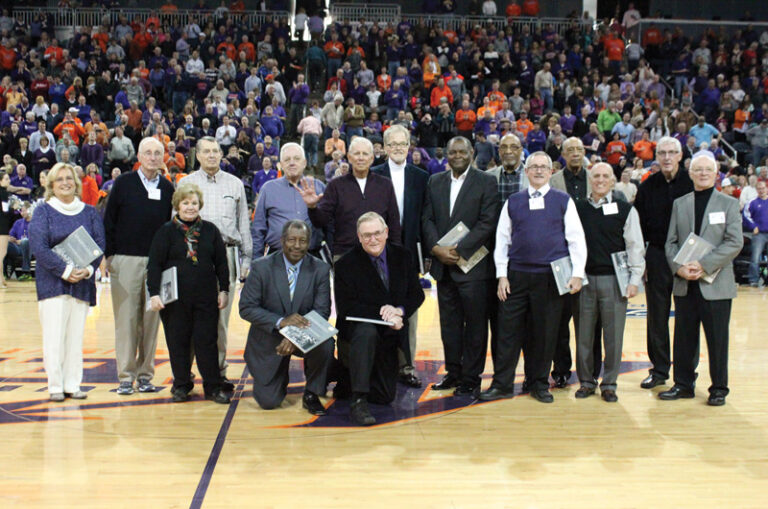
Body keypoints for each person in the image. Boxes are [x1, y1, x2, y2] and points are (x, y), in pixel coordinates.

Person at [478, 152, 586, 404]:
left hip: (549, 278)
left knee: (544, 335)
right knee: (507, 333)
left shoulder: (563, 200)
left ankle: (538, 384)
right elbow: (502, 240)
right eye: (534, 167)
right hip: (516, 277)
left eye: (543, 167)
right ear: (526, 172)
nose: (538, 171)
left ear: (551, 172)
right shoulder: (513, 201)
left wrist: (577, 273)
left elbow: (576, 239)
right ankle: (502, 384)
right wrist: (502, 275)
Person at [661, 153, 743, 406]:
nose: (703, 173)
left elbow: (735, 242)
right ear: (691, 173)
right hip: (685, 282)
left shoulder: (728, 204)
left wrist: (703, 265)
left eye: (708, 169)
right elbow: (671, 242)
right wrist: (679, 268)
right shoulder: (680, 203)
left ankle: (718, 388)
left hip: (715, 284)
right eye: (698, 170)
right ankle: (683, 384)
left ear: (716, 173)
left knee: (717, 340)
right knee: (684, 338)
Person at [422, 136, 499, 397]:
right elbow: (427, 219)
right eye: (452, 152)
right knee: (450, 325)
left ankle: (471, 377)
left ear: (472, 153)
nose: (457, 156)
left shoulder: (487, 181)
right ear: (447, 154)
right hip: (443, 268)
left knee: (475, 326)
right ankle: (453, 372)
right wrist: (436, 249)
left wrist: (459, 250)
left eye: (462, 152)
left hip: (473, 268)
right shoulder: (435, 181)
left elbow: (487, 222)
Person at [334, 212, 425, 425]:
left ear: (386, 232)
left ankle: (347, 377)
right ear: (359, 237)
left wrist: (399, 311)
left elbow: (417, 294)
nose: (373, 239)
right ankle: (358, 400)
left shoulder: (403, 256)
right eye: (367, 235)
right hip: (358, 334)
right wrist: (386, 314)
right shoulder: (345, 264)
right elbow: (347, 308)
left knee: (384, 396)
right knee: (366, 330)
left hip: (390, 335)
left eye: (377, 233)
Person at [147, 183, 231, 404]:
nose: (190, 207)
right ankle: (182, 385)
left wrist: (224, 289)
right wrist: (154, 293)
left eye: (194, 203)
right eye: (185, 203)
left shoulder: (211, 230)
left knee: (207, 342)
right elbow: (154, 265)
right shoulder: (165, 231)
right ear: (177, 205)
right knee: (178, 343)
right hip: (175, 300)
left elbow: (221, 263)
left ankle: (213, 387)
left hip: (206, 298)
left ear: (199, 205)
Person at [179, 137, 252, 389]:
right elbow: (175, 223)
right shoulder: (186, 183)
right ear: (197, 155)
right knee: (189, 318)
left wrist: (247, 258)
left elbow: (243, 224)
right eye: (206, 151)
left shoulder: (235, 184)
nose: (212, 155)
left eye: (215, 151)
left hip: (227, 254)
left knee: (221, 320)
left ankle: (219, 372)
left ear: (221, 154)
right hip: (192, 255)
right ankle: (184, 375)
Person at [240, 220, 333, 415]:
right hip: (269, 335)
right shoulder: (261, 267)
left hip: (304, 332)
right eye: (292, 240)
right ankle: (279, 378)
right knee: (268, 402)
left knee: (326, 343)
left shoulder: (320, 269)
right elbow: (246, 307)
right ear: (282, 240)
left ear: (309, 242)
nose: (297, 245)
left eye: (303, 241)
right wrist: (281, 322)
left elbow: (322, 312)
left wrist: (293, 337)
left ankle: (312, 393)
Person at [29, 163, 105, 401]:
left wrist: (88, 270)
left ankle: (73, 384)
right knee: (54, 337)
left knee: (75, 337)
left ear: (76, 182)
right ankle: (55, 386)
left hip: (81, 282)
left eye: (69, 178)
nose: (65, 183)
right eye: (59, 179)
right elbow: (38, 247)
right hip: (53, 283)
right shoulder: (43, 211)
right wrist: (65, 270)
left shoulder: (89, 212)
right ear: (51, 185)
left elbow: (99, 245)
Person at [104, 137, 174, 395]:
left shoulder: (167, 187)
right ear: (139, 157)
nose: (153, 157)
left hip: (157, 263)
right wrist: (108, 255)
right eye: (148, 152)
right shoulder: (123, 183)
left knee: (151, 322)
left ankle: (145, 376)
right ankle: (125, 377)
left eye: (157, 153)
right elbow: (109, 220)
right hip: (125, 260)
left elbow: (171, 226)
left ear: (163, 157)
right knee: (126, 320)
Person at [573, 163, 645, 402]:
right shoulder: (577, 208)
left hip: (615, 281)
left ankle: (610, 384)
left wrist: (634, 279)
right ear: (589, 179)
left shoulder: (625, 210)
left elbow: (635, 246)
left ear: (613, 181)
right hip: (584, 281)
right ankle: (586, 382)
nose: (601, 180)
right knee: (584, 336)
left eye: (606, 176)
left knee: (613, 337)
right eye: (596, 176)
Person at [370, 124, 429, 389]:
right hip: (378, 251)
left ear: (409, 146)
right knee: (379, 307)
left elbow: (426, 218)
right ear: (384, 147)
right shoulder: (374, 174)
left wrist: (426, 254)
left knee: (409, 310)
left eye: (402, 143)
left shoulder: (421, 177)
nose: (397, 148)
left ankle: (407, 366)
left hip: (408, 254)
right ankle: (379, 366)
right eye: (392, 144)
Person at [634, 136, 693, 389]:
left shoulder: (692, 183)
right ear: (656, 157)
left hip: (686, 256)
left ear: (680, 155)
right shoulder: (648, 186)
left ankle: (686, 372)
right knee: (657, 316)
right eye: (662, 153)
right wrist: (642, 260)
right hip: (657, 255)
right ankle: (659, 370)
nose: (667, 157)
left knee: (687, 317)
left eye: (672, 152)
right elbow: (638, 226)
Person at [549, 136, 601, 387]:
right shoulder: (553, 181)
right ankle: (561, 369)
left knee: (592, 320)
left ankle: (592, 371)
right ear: (563, 154)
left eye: (579, 149)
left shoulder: (596, 178)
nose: (576, 153)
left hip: (593, 258)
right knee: (560, 320)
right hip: (561, 259)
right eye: (570, 150)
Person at [299, 136, 401, 258]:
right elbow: (321, 221)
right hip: (344, 255)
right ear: (349, 157)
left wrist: (395, 255)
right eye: (357, 153)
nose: (361, 158)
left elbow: (394, 223)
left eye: (365, 154)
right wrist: (312, 207)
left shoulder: (385, 185)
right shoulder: (335, 185)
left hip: (379, 255)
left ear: (372, 158)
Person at [745, 181, 768, 286]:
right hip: (759, 235)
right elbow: (746, 216)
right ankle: (753, 279)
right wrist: (753, 226)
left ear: (766, 188)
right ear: (756, 190)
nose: (761, 190)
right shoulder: (752, 202)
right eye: (759, 189)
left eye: (763, 188)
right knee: (755, 257)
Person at [7, 201, 32, 280]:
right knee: (5, 243)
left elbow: (37, 238)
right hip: (17, 247)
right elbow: (11, 235)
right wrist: (10, 239)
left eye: (24, 211)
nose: (22, 213)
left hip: (31, 248)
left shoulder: (36, 223)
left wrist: (21, 241)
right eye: (21, 211)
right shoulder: (18, 222)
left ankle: (26, 272)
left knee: (25, 241)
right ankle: (4, 272)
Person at [0, 171, 12, 288]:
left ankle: (2, 278)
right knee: (2, 253)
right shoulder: (4, 193)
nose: (9, 181)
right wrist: (14, 208)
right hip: (2, 225)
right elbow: (5, 211)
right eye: (6, 179)